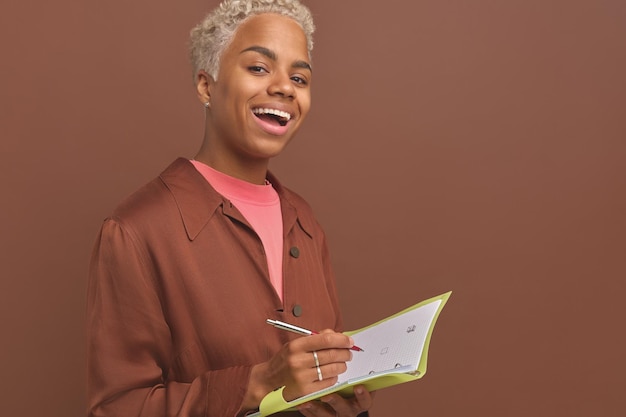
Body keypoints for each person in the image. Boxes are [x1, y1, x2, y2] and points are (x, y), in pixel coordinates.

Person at [86, 1, 374, 416]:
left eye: (299, 77)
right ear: (206, 85)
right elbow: (116, 408)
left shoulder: (305, 223)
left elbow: (313, 387)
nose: (284, 88)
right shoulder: (135, 231)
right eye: (259, 68)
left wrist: (346, 390)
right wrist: (257, 383)